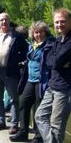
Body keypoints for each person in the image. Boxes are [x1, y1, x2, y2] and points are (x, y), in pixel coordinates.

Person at [10, 21, 55, 142]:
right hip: (30, 80)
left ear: (45, 32)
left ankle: (38, 137)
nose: (38, 34)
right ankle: (23, 133)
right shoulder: (32, 45)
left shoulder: (49, 45)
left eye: (41, 32)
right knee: (23, 103)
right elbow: (29, 59)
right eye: (36, 32)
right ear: (32, 33)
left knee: (38, 109)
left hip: (42, 81)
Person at [0, 12, 28, 134]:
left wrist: (18, 62)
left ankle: (14, 124)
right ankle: (0, 122)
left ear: (9, 21)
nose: (3, 22)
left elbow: (26, 50)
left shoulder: (17, 36)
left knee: (14, 99)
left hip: (11, 72)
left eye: (5, 20)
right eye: (1, 20)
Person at [35, 8, 71, 143]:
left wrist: (57, 61)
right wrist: (59, 62)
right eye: (56, 22)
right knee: (39, 116)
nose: (59, 25)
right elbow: (50, 62)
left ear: (70, 21)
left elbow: (55, 61)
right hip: (52, 85)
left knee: (57, 127)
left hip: (65, 89)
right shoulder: (57, 40)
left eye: (63, 21)